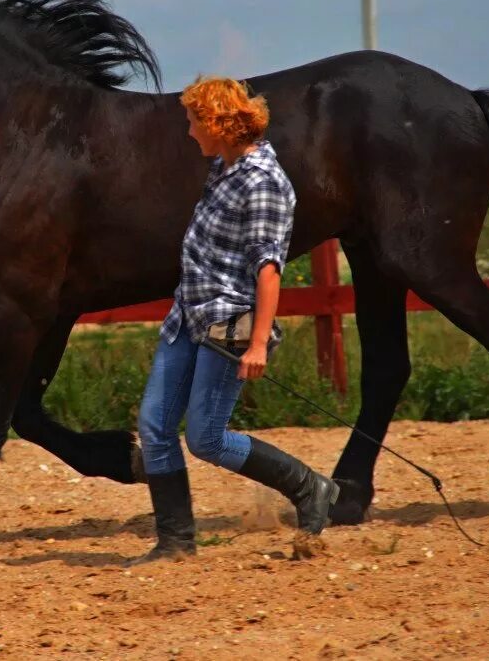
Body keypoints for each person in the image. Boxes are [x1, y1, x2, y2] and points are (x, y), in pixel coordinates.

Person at [131, 75, 338, 565]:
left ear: (218, 124)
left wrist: (259, 344)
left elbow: (268, 271)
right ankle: (175, 542)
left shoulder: (263, 182)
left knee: (206, 438)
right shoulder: (225, 167)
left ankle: (312, 488)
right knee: (155, 425)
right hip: (189, 315)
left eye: (193, 122)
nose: (188, 132)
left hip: (229, 326)